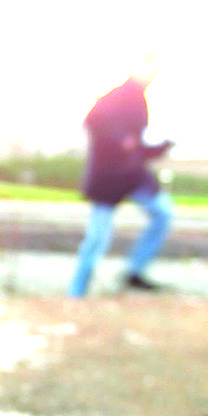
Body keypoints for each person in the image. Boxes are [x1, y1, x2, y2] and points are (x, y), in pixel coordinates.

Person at [69, 55, 175, 298]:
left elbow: (137, 146)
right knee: (98, 238)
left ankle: (134, 272)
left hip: (133, 176)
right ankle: (77, 292)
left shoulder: (141, 102)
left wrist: (162, 146)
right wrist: (119, 138)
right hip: (108, 178)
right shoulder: (117, 96)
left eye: (155, 72)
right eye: (148, 70)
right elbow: (93, 121)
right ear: (137, 69)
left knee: (163, 212)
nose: (151, 76)